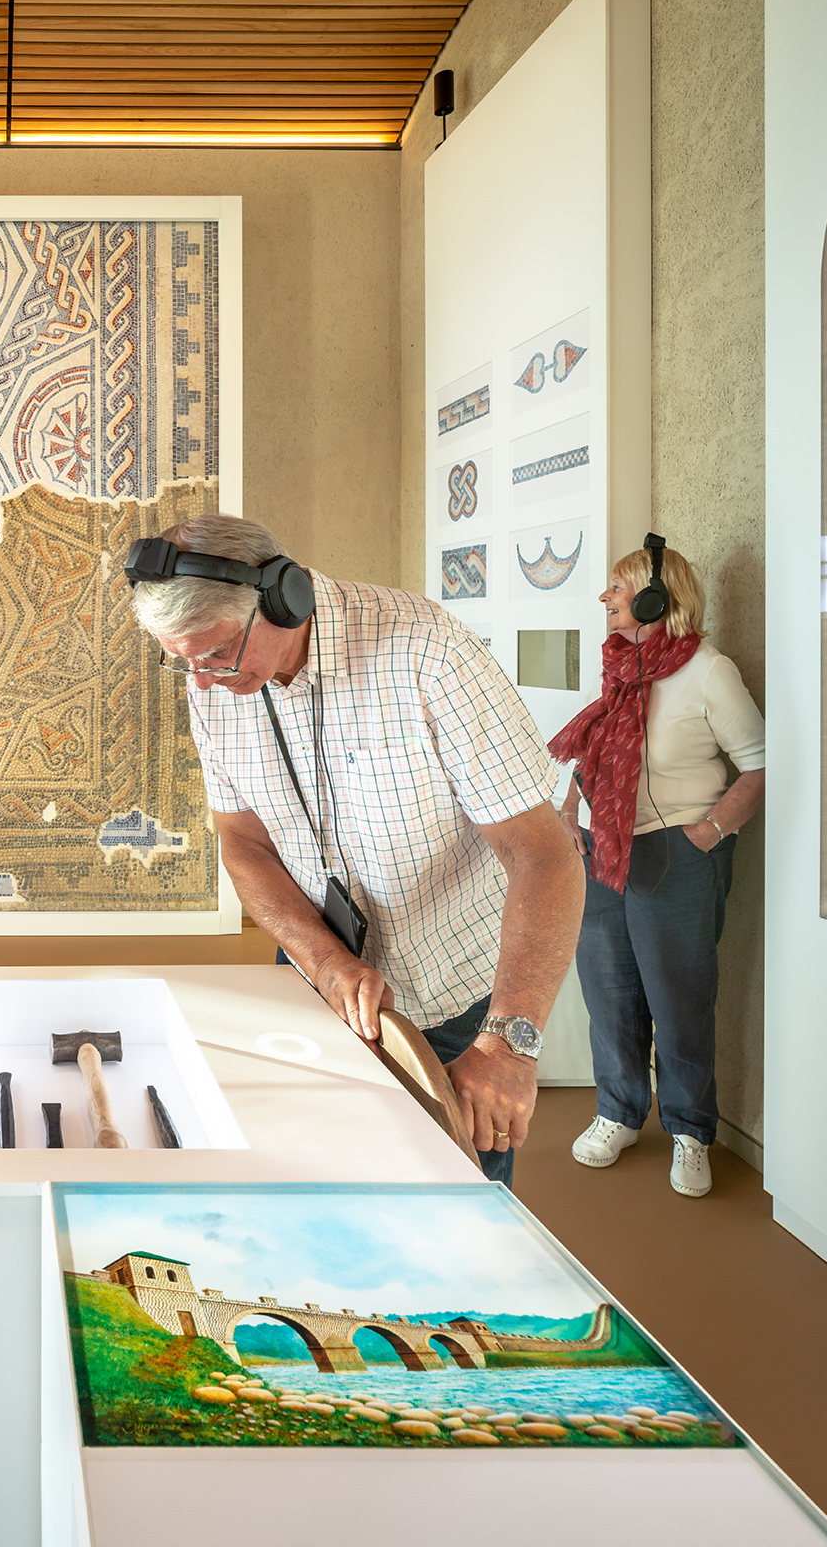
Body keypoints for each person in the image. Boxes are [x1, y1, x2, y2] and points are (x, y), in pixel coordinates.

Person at [125, 513, 585, 1184]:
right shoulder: (216, 683)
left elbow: (545, 856)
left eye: (217, 654)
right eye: (183, 661)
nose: (201, 682)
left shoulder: (427, 653)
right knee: (328, 1188)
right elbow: (245, 843)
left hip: (454, 994)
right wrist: (324, 960)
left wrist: (512, 1044)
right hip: (320, 978)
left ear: (283, 597)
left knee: (460, 1208)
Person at [549, 539, 766, 1198]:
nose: (605, 599)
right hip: (602, 852)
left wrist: (710, 831)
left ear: (652, 599)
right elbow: (596, 756)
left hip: (676, 854)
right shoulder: (621, 667)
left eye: (617, 589)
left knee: (679, 1002)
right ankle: (617, 1112)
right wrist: (569, 810)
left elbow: (760, 762)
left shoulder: (708, 671)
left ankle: (692, 1132)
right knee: (608, 993)